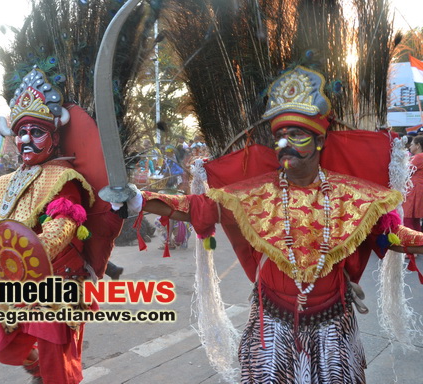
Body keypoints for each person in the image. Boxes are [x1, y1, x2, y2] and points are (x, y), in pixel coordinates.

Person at [120, 66, 423, 383]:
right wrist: (139, 200)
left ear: (319, 141)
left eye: (298, 135)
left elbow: (390, 236)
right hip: (270, 328)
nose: (286, 145)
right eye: (280, 137)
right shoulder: (254, 193)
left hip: (334, 331)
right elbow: (197, 207)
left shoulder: (352, 195)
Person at [0, 67, 119, 384]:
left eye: (35, 132)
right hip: (21, 280)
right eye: (20, 132)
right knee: (3, 332)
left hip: (57, 284)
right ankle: (40, 374)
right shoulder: (10, 180)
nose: (25, 139)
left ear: (54, 136)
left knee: (58, 365)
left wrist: (25, 254)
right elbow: (7, 228)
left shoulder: (63, 178)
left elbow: (62, 226)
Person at [404, 135, 423, 232]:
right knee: (415, 219)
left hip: (414, 189)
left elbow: (404, 170)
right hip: (417, 188)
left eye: (412, 144)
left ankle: (410, 242)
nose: (409, 147)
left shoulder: (418, 157)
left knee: (407, 217)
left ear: (418, 145)